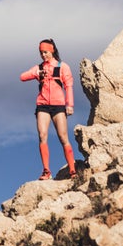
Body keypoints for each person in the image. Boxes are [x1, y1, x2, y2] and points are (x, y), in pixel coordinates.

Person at [20, 38, 77, 180]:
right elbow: (22, 77)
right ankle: (46, 171)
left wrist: (70, 105)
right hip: (42, 105)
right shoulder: (39, 68)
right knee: (42, 135)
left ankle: (72, 170)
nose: (43, 55)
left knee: (63, 137)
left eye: (45, 52)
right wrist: (37, 74)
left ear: (51, 50)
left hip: (59, 105)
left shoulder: (62, 67)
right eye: (41, 52)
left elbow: (69, 85)